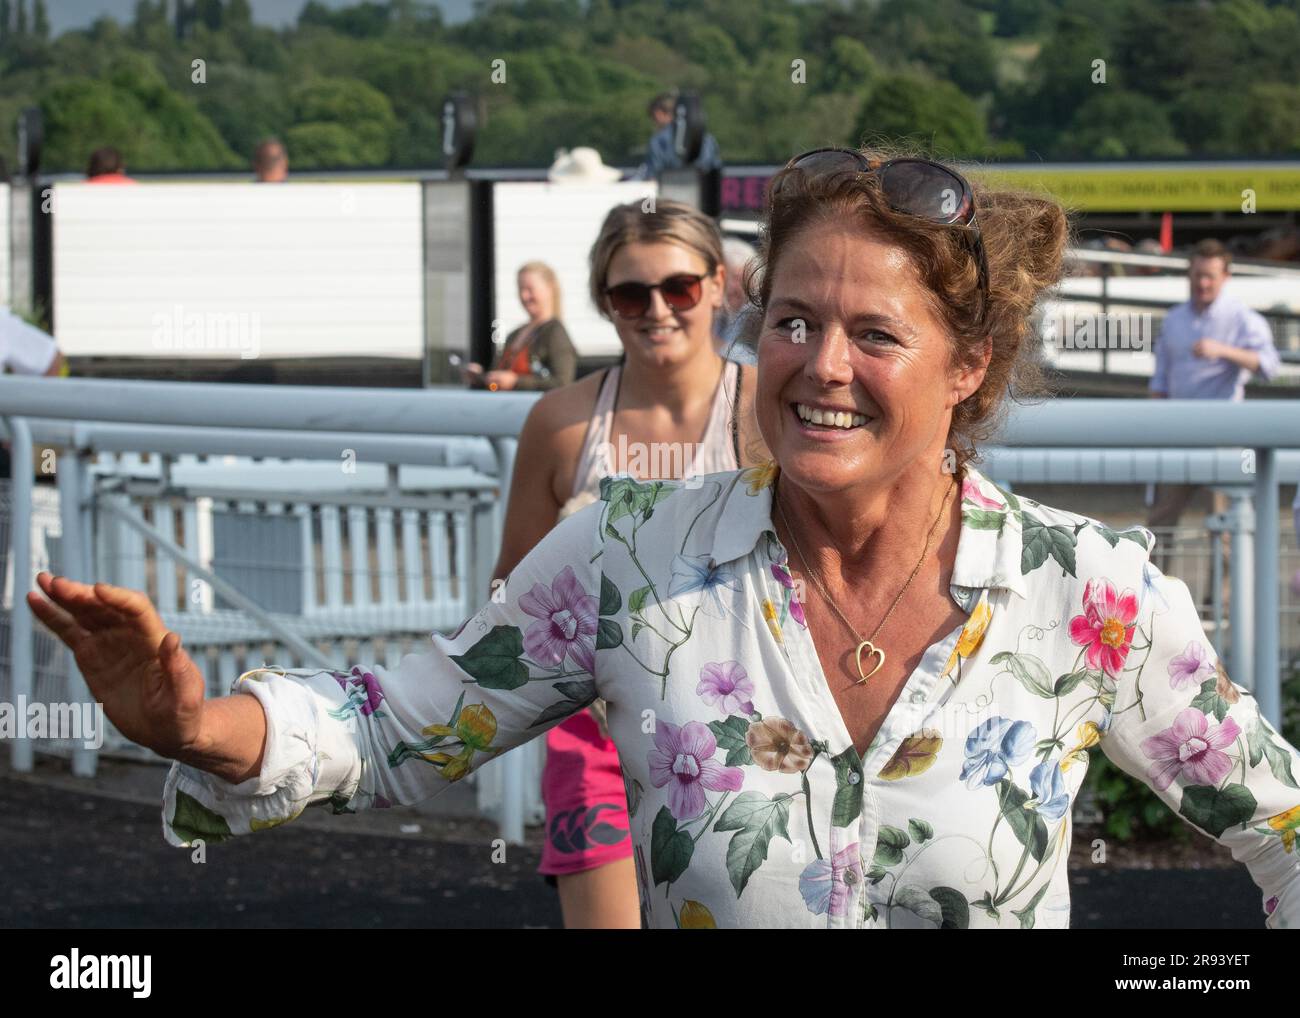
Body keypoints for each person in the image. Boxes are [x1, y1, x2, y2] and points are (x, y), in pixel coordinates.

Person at [30, 146, 1300, 929]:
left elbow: (1280, 826)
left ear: (969, 365)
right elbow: (386, 718)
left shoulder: (1083, 592)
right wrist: (194, 727)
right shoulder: (627, 559)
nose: (820, 368)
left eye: (874, 335)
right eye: (792, 323)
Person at [489, 200, 764, 927]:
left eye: (677, 287)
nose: (657, 310)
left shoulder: (766, 409)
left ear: (716, 285)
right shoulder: (560, 423)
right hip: (592, 728)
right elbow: (509, 590)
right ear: (604, 303)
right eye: (629, 294)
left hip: (738, 726)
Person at [1147, 239, 1282, 572]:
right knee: (1160, 522)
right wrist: (1152, 427)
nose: (1203, 283)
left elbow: (1269, 365)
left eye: (1209, 276)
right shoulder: (1175, 319)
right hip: (1176, 434)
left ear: (1226, 277)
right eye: (1197, 276)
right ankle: (1157, 603)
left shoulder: (1242, 318)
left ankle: (1217, 609)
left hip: (1222, 437)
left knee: (1222, 524)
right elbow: (1160, 379)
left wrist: (1224, 351)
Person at [463, 263, 577, 392]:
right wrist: (482, 378)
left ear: (549, 289)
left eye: (530, 289)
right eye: (520, 289)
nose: (524, 296)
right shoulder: (515, 334)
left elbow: (563, 383)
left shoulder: (555, 333)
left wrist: (517, 382)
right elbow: (497, 382)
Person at [633, 92, 721, 182]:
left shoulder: (658, 141)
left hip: (670, 194)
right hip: (702, 193)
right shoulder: (708, 139)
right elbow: (715, 174)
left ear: (658, 114)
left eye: (652, 118)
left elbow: (653, 178)